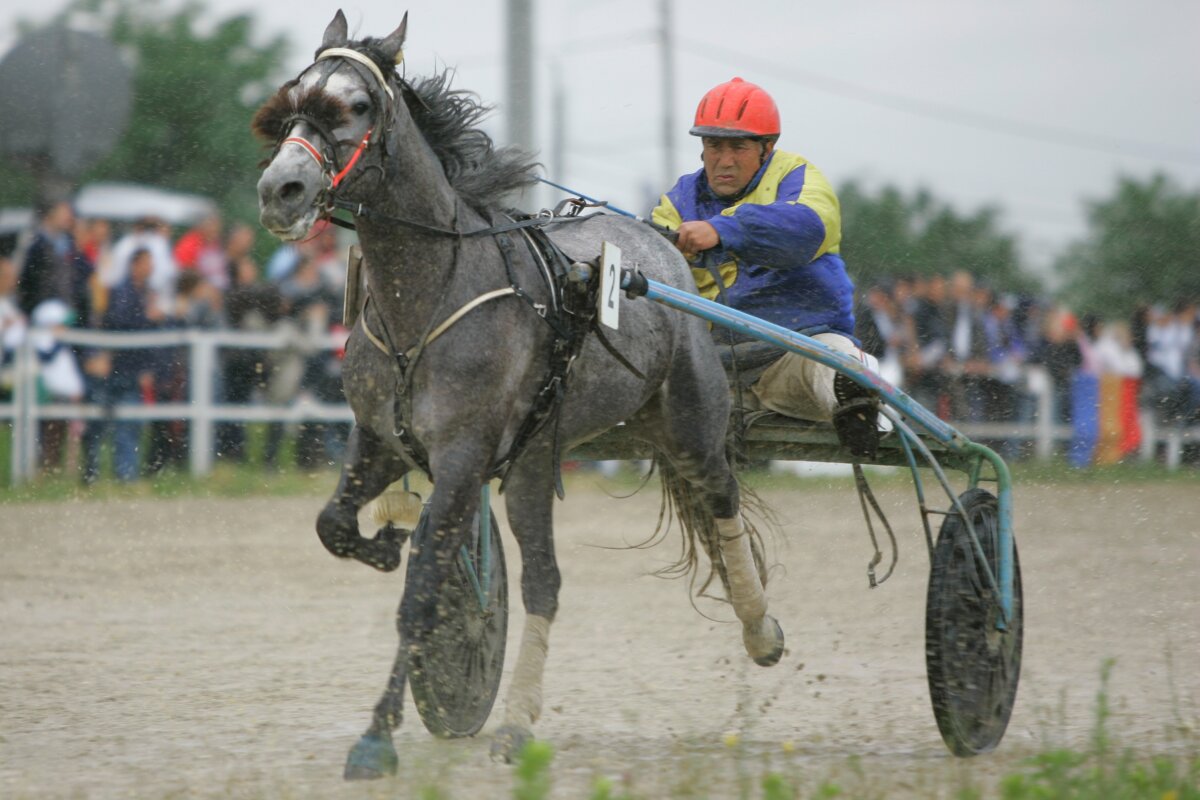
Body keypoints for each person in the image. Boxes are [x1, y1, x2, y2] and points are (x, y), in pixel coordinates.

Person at [651, 77, 880, 457]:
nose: (723, 160)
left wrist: (720, 230)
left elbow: (806, 229)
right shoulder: (676, 202)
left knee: (838, 368)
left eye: (738, 147)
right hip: (713, 369)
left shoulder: (797, 176)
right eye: (713, 146)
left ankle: (857, 401)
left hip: (798, 353)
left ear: (766, 147)